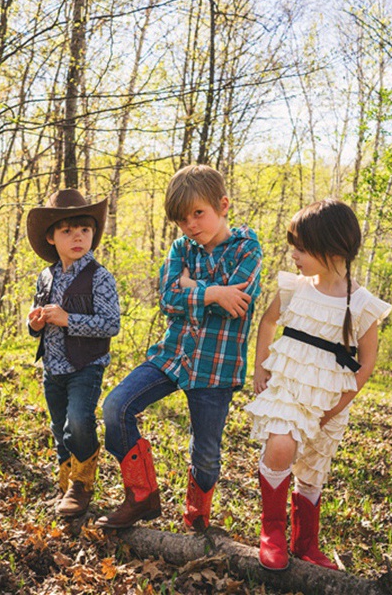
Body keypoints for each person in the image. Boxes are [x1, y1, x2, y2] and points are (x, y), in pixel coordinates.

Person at [95, 164, 263, 531]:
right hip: (172, 356)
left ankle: (196, 518)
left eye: (198, 213)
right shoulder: (180, 248)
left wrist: (191, 286)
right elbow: (167, 299)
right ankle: (141, 496)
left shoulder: (247, 248)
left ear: (223, 205)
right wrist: (213, 292)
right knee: (116, 406)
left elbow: (236, 304)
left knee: (205, 454)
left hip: (215, 368)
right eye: (182, 219)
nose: (191, 225)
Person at [244, 199, 392, 571]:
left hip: (329, 400)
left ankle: (305, 542)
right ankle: (272, 531)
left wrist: (337, 406)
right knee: (280, 444)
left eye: (302, 248)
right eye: (293, 246)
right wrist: (260, 368)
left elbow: (367, 362)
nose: (293, 255)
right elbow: (267, 322)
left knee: (311, 470)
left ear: (334, 249)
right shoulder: (295, 288)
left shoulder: (362, 304)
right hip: (289, 388)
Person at [26, 189, 121, 518]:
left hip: (86, 366)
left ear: (93, 234)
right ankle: (66, 479)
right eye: (67, 231)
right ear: (51, 237)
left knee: (78, 422)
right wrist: (35, 323)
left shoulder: (99, 277)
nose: (77, 237)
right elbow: (36, 318)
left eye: (84, 230)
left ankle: (82, 482)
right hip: (52, 367)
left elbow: (111, 324)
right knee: (58, 427)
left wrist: (69, 320)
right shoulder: (46, 276)